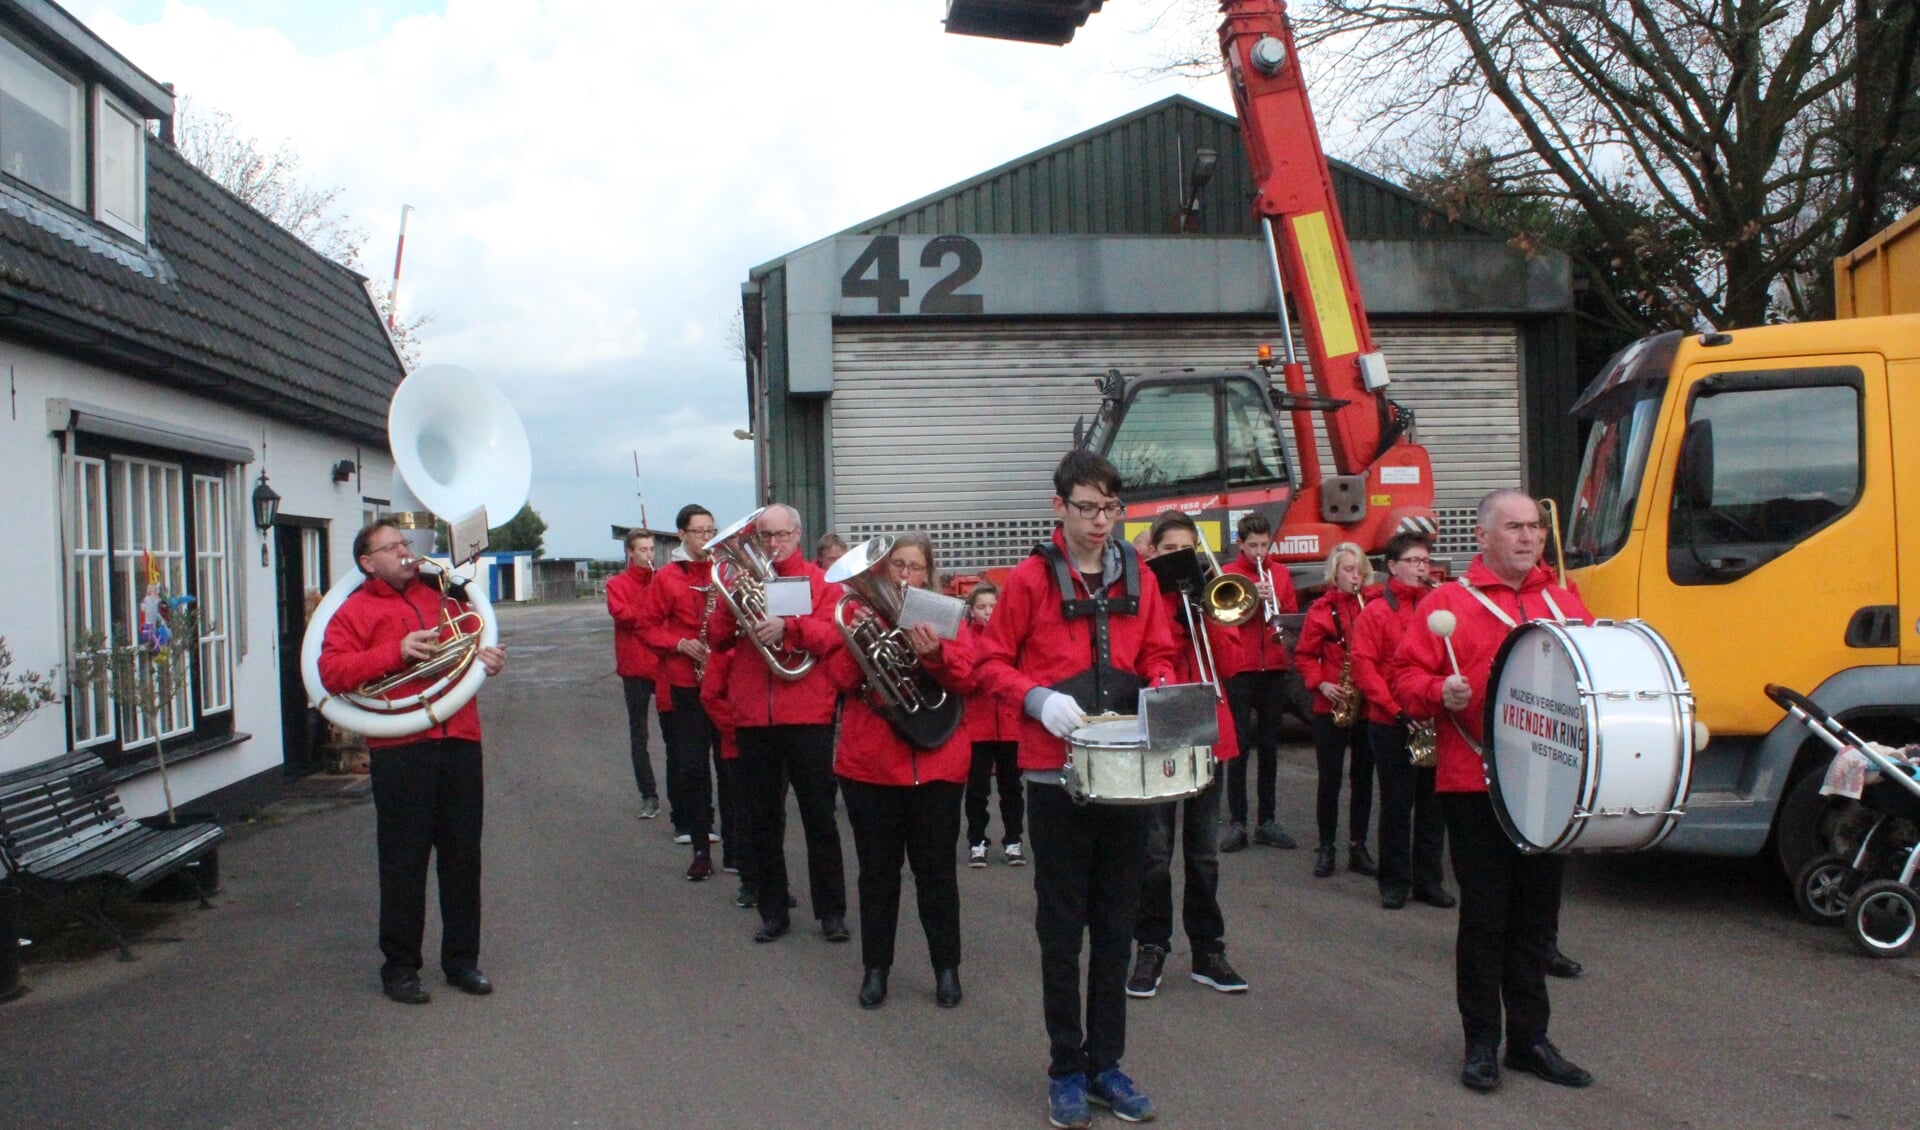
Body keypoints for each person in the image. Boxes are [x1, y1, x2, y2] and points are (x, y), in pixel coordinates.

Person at [976, 449, 1179, 1129]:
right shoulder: (1030, 579)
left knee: (1116, 930)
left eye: (1111, 508)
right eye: (1087, 507)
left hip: (1125, 773)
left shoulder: (1140, 575)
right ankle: (1065, 1067)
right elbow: (989, 661)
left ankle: (1107, 1066)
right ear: (1058, 506)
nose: (1101, 521)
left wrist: (1156, 683)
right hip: (1053, 775)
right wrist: (1033, 698)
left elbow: (1159, 650)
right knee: (1062, 931)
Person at [1390, 487, 1596, 1093]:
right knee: (1485, 918)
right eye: (1513, 527)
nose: (1528, 537)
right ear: (1482, 537)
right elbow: (1404, 677)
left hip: (1551, 787)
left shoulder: (1564, 602)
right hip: (1472, 781)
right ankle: (1482, 1041)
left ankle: (1530, 1041)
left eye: (1534, 526)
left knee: (1536, 920)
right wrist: (1437, 694)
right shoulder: (1446, 603)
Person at [317, 519, 506, 1005]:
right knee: (404, 861)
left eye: (405, 543)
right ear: (367, 562)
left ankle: (463, 962)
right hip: (400, 747)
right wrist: (394, 652)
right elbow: (332, 672)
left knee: (464, 858)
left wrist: (487, 660)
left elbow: (473, 641)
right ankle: (400, 968)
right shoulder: (352, 611)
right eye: (393, 546)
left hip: (461, 736)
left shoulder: (444, 596)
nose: (405, 551)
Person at [824, 533, 973, 1010]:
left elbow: (969, 675)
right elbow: (837, 680)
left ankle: (946, 969)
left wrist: (933, 654)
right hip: (870, 767)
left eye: (915, 566)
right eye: (897, 566)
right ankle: (875, 970)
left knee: (937, 875)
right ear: (885, 572)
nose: (905, 574)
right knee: (877, 875)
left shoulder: (945, 613)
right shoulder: (859, 616)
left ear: (928, 573)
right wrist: (865, 649)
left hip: (937, 765)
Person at [708, 503, 850, 945]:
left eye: (781, 535)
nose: (772, 544)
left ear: (798, 535)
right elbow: (714, 639)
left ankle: (832, 912)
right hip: (754, 714)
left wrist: (788, 628)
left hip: (807, 711)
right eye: (764, 536)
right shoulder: (740, 580)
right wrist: (733, 609)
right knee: (763, 819)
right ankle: (773, 909)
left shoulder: (820, 581)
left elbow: (831, 634)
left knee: (819, 817)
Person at [1126, 511, 1247, 1000]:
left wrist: (1205, 612)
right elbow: (1141, 659)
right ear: (1154, 553)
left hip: (1211, 737)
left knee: (1203, 855)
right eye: (1168, 546)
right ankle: (1151, 946)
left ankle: (1208, 950)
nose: (1179, 554)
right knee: (1154, 854)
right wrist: (1173, 621)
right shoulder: (1143, 598)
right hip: (1164, 731)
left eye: (1187, 546)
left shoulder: (1210, 595)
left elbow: (1233, 665)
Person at [1349, 531, 1452, 911]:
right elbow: (1364, 667)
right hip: (1391, 721)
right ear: (1392, 567)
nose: (1421, 567)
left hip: (1431, 717)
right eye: (1413, 561)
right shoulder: (1376, 611)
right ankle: (1393, 883)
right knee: (1396, 805)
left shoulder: (1438, 606)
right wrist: (1395, 709)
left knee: (1433, 806)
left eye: (1425, 561)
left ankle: (1429, 881)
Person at [1217, 512, 1314, 852]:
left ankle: (1267, 821)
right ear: (1240, 544)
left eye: (1264, 544)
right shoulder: (1228, 574)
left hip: (1273, 666)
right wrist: (1249, 598)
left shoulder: (1281, 573)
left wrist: (1274, 601)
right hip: (1241, 668)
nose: (1259, 552)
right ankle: (1238, 822)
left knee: (1270, 746)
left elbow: (1287, 614)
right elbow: (1222, 618)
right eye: (1252, 545)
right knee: (1239, 748)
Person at [641, 505, 728, 881]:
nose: (707, 538)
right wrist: (679, 643)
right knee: (692, 766)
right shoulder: (666, 577)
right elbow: (647, 626)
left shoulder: (726, 571)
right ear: (681, 535)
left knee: (730, 766)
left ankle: (737, 848)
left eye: (711, 531)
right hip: (685, 683)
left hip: (724, 682)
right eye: (699, 532)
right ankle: (698, 847)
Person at [1296, 542, 1378, 879]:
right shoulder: (1321, 609)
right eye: (1347, 570)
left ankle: (1358, 846)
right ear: (1335, 573)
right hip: (1331, 703)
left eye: (1359, 570)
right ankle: (1326, 845)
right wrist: (1322, 684)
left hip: (1367, 705)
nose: (1354, 577)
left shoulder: (1372, 606)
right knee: (1329, 779)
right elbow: (1303, 656)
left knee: (1363, 779)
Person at [961, 581, 1024, 868]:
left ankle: (1014, 840)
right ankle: (977, 841)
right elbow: (963, 678)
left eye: (992, 607)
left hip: (1010, 725)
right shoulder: (965, 638)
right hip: (977, 727)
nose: (988, 612)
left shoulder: (1011, 636)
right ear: (972, 611)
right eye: (981, 607)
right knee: (977, 789)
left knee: (1012, 788)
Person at [606, 528, 663, 820]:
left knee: (674, 734)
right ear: (629, 552)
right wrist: (652, 617)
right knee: (639, 735)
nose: (649, 555)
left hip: (662, 665)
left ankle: (681, 794)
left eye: (651, 549)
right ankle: (649, 795)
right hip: (634, 668)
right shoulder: (617, 584)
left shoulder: (660, 581)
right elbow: (625, 616)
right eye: (643, 550)